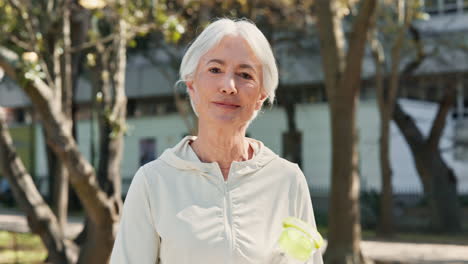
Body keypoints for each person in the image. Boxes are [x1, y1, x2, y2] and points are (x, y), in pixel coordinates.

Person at [110, 18, 323, 264]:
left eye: (245, 74)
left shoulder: (288, 180)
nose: (229, 86)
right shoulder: (152, 182)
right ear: (191, 85)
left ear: (261, 96)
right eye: (215, 70)